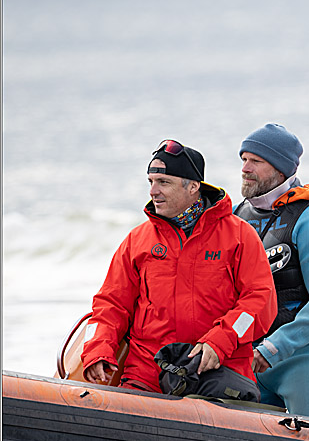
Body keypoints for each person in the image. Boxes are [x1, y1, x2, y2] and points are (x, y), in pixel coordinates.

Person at [83, 140, 277, 396]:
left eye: (163, 182)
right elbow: (110, 305)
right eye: (151, 182)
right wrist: (98, 350)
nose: (153, 191)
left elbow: (260, 301)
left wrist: (222, 340)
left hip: (218, 373)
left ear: (193, 186)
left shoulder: (240, 236)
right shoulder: (136, 241)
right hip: (146, 375)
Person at [234, 123, 309, 419]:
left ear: (280, 170)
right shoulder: (237, 215)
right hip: (247, 357)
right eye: (243, 159)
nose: (245, 168)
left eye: (256, 161)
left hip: (301, 356)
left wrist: (274, 348)